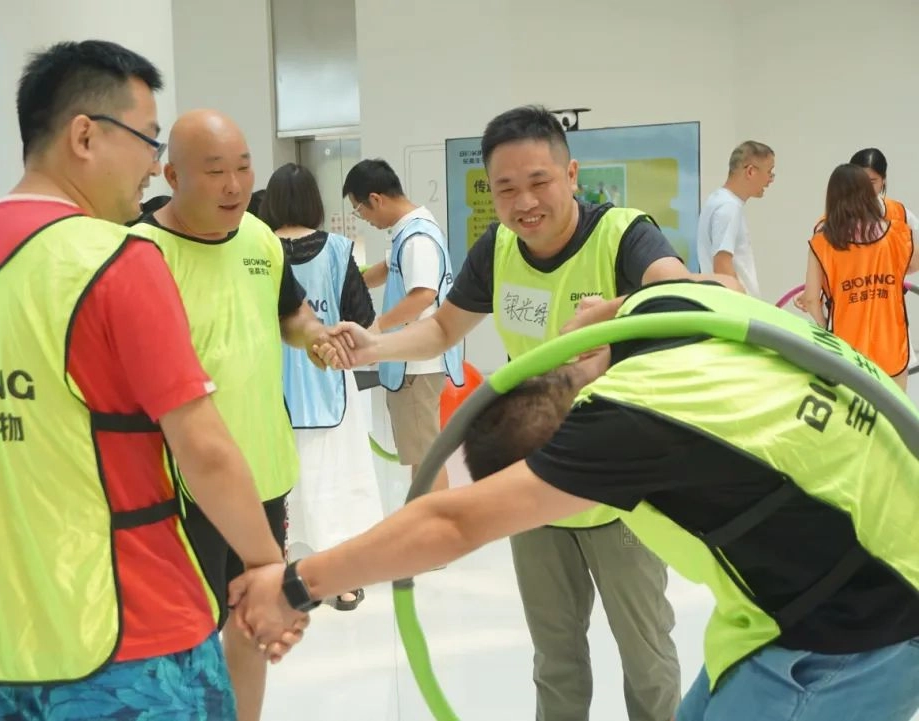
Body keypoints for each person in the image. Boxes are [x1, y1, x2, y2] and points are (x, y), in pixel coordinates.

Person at [232, 279, 919, 721]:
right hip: (829, 575)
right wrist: (598, 322)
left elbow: (451, 520)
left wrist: (295, 584)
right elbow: (717, 286)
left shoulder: (621, 428)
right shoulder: (656, 311)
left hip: (859, 621)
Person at [0, 40, 303, 720]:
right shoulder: (115, 259)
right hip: (131, 640)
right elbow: (203, 448)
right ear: (85, 136)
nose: (153, 165)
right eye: (147, 140)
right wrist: (268, 566)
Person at [325, 105, 699, 721]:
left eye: (538, 181)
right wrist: (373, 344)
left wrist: (615, 311)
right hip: (534, 479)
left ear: (571, 175)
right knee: (555, 662)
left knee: (648, 662)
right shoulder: (498, 248)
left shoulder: (623, 235)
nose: (524, 202)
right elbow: (443, 327)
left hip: (619, 489)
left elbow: (688, 294)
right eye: (505, 188)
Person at [130, 110, 340, 721]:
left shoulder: (259, 238)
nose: (234, 186)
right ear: (172, 176)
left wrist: (316, 337)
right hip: (180, 487)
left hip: (262, 475)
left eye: (244, 168)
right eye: (215, 171)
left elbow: (291, 314)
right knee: (184, 637)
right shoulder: (139, 252)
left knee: (253, 620)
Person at [258, 162, 383, 611]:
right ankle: (339, 583)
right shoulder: (337, 249)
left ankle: (282, 574)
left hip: (271, 386)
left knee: (280, 484)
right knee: (336, 480)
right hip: (332, 380)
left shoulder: (259, 249)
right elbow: (362, 317)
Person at [342, 158, 464, 493]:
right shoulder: (410, 230)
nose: (364, 219)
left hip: (417, 365)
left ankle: (431, 517)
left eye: (359, 210)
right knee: (421, 455)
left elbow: (423, 295)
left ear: (376, 199)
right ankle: (425, 513)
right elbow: (387, 267)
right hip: (416, 363)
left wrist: (377, 329)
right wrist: (350, 284)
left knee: (425, 457)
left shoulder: (417, 238)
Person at [800, 164, 919, 388]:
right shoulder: (897, 233)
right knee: (894, 408)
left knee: (853, 408)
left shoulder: (821, 242)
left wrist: (826, 327)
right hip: (892, 342)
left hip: (847, 345)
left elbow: (811, 299)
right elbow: (912, 265)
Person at [696, 140, 775, 297]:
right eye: (769, 172)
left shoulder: (717, 201)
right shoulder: (728, 207)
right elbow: (722, 265)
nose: (771, 179)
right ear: (751, 172)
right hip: (736, 306)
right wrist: (743, 305)